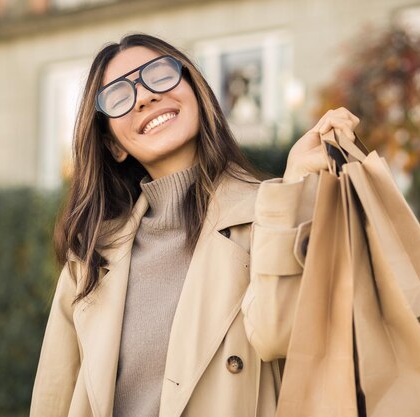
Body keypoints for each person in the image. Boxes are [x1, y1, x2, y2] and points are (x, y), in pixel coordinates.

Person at [29, 33, 360, 417]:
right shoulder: (91, 256)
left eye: (159, 74)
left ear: (195, 93)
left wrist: (293, 191)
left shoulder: (273, 212)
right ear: (114, 145)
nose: (145, 95)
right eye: (119, 97)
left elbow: (279, 335)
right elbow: (54, 396)